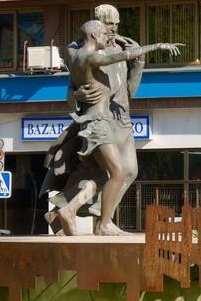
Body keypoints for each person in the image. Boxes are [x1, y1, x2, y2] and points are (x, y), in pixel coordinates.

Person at [44, 19, 179, 235]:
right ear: (94, 35)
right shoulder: (88, 55)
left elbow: (128, 87)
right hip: (99, 122)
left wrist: (138, 58)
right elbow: (121, 57)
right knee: (117, 172)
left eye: (116, 24)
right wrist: (157, 46)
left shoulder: (81, 56)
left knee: (114, 174)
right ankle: (100, 222)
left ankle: (70, 210)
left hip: (109, 120)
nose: (110, 32)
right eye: (105, 28)